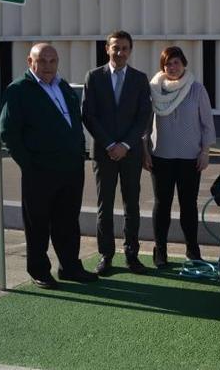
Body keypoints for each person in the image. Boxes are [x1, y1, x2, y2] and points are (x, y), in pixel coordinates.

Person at [0, 43, 97, 289]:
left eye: (52, 61)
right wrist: (29, 165)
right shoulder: (19, 90)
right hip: (39, 171)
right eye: (42, 61)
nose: (48, 66)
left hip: (71, 169)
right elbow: (8, 133)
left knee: (67, 222)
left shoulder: (63, 86)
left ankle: (70, 267)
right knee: (38, 224)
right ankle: (39, 270)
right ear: (29, 62)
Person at [82, 30, 152, 276]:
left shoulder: (140, 79)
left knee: (131, 204)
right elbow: (89, 115)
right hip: (104, 153)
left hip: (130, 153)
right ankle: (106, 255)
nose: (120, 52)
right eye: (115, 47)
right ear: (107, 49)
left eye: (124, 48)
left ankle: (132, 254)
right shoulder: (94, 77)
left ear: (130, 50)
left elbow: (144, 116)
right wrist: (111, 144)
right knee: (105, 205)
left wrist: (126, 145)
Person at [142, 46, 216, 268]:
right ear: (162, 67)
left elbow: (207, 124)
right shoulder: (154, 90)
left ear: (184, 64)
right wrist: (145, 151)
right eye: (167, 64)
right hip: (160, 158)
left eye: (176, 62)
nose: (172, 67)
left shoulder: (197, 89)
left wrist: (205, 152)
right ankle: (160, 251)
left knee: (188, 206)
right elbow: (145, 126)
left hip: (190, 159)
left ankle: (192, 251)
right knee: (161, 205)